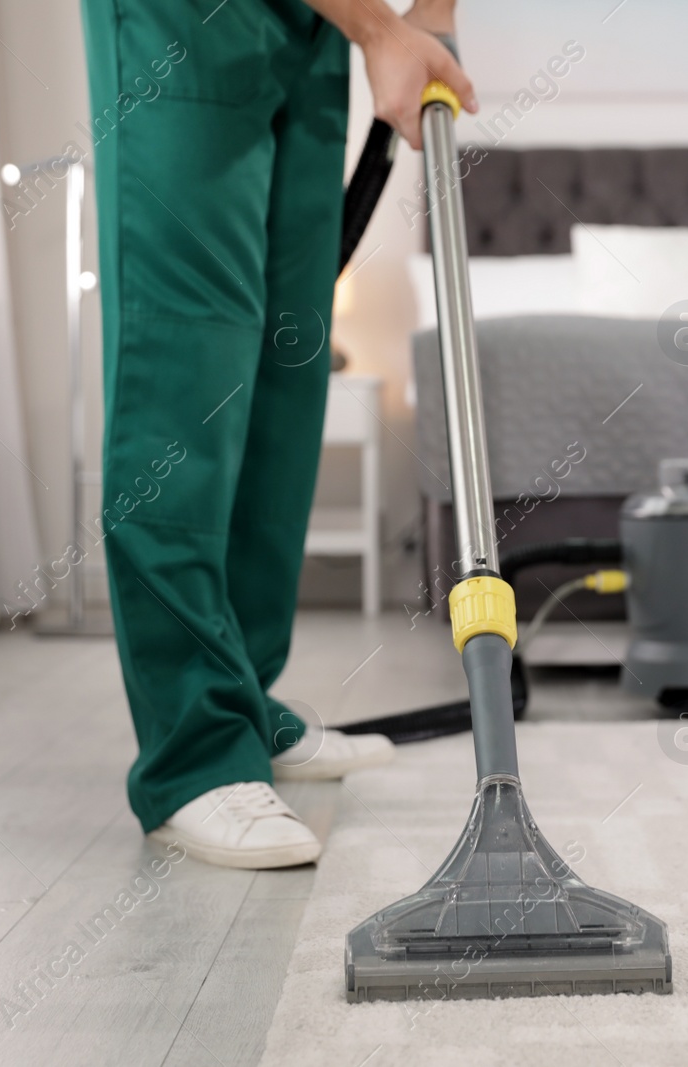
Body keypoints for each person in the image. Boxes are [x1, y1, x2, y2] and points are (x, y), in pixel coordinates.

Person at [80, 0, 476, 869]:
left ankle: (242, 703)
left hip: (310, 24)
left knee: (283, 369)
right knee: (187, 369)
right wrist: (381, 32)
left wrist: (430, 17)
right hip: (181, 24)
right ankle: (192, 757)